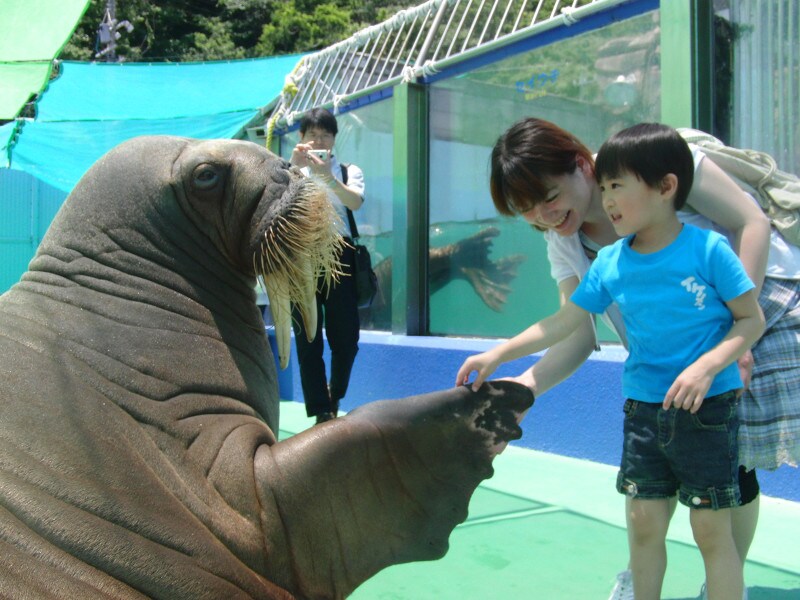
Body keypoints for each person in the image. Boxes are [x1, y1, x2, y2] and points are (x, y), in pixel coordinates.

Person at [485, 117, 800, 599]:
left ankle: (718, 583)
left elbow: (749, 221)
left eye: (549, 197)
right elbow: (575, 329)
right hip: (668, 366)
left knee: (734, 462)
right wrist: (524, 384)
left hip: (763, 302)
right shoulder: (567, 241)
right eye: (528, 212)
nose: (545, 217)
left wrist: (735, 341)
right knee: (652, 494)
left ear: (581, 163)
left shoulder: (656, 160)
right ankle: (647, 581)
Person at [289, 108, 365, 424]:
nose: (320, 141)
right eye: (312, 136)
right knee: (308, 337)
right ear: (301, 139)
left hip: (341, 255)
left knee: (346, 338)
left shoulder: (349, 171)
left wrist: (328, 179)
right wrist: (294, 168)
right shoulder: (290, 172)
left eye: (325, 135)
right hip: (301, 257)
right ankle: (321, 409)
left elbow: (356, 202)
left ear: (334, 139)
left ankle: (335, 393)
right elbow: (277, 204)